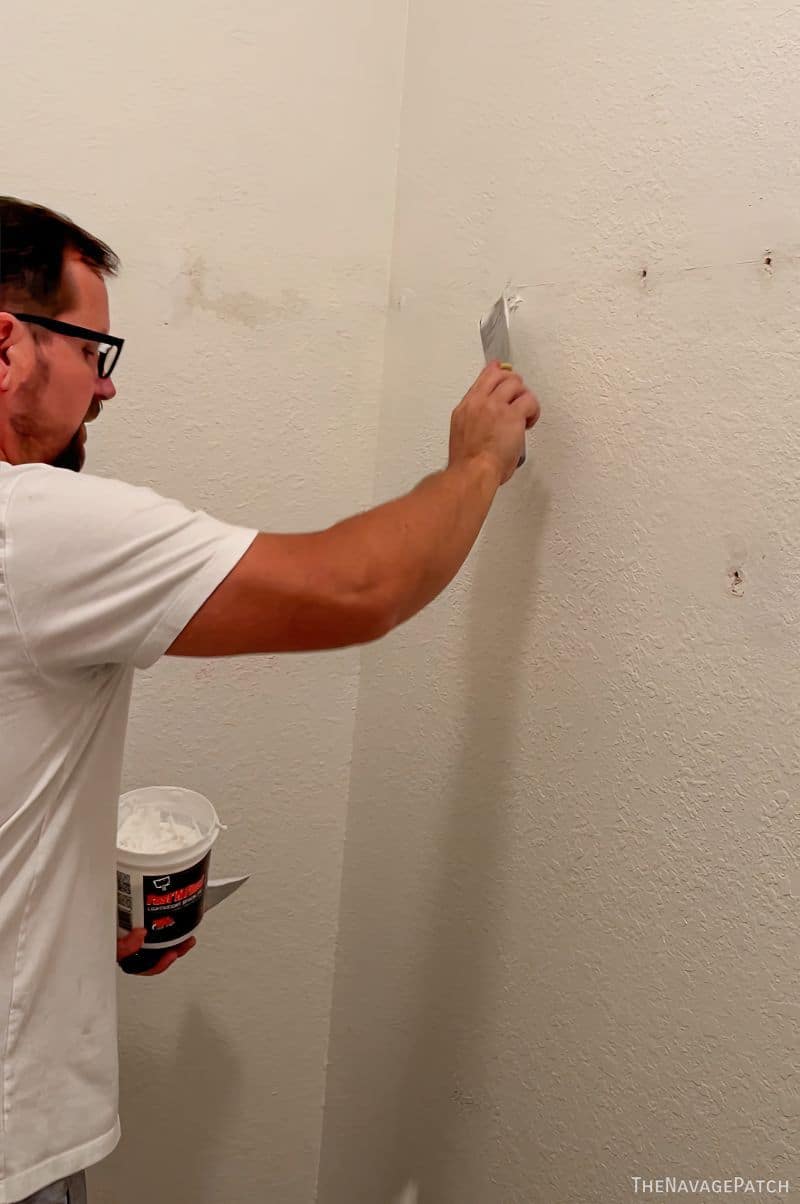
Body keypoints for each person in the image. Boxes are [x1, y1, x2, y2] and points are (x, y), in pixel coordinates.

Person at [0, 196, 541, 1204]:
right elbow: (354, 587)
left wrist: (63, 924)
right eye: (91, 349)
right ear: (7, 344)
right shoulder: (27, 524)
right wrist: (475, 461)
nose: (105, 388)